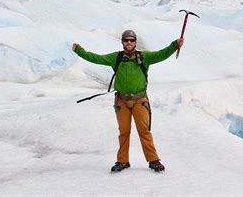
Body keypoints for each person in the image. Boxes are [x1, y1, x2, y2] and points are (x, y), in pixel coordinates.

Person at [72, 30, 183, 173]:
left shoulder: (145, 56)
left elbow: (161, 54)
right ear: (122, 42)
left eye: (131, 40)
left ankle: (154, 160)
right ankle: (122, 161)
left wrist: (175, 45)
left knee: (144, 131)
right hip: (122, 101)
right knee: (124, 132)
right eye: (126, 40)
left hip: (140, 100)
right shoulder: (116, 58)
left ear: (136, 42)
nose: (129, 42)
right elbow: (96, 58)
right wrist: (79, 51)